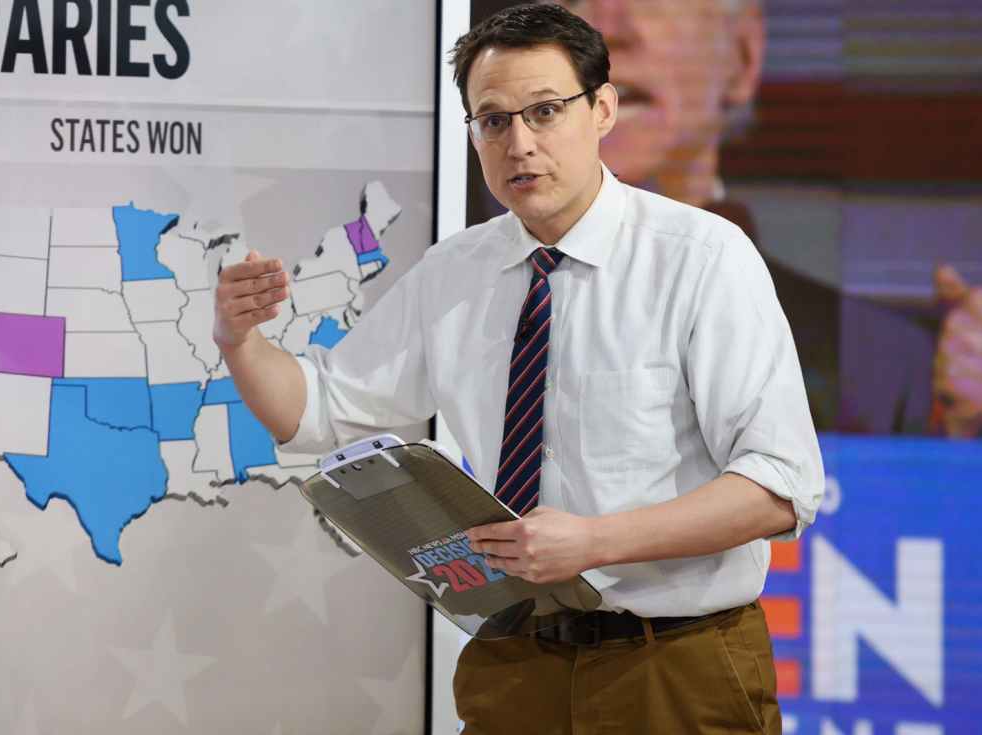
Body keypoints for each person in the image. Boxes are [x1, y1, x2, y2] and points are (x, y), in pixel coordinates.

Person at [214, 5, 820, 733]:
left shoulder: (699, 259)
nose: (520, 143)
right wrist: (240, 341)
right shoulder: (456, 271)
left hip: (676, 664)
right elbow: (311, 411)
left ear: (602, 109)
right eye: (493, 121)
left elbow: (781, 489)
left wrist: (595, 541)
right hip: (515, 662)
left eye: (544, 111)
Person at [551, 0, 982, 438]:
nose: (609, 27)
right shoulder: (480, 305)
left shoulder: (889, 378)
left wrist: (959, 436)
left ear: (743, 55)